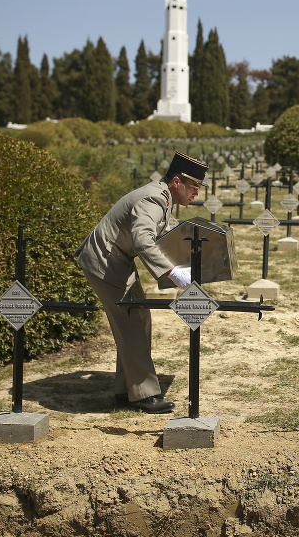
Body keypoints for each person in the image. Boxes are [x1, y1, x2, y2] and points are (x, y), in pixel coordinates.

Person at [75, 151, 208, 413]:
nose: (196, 194)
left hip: (116, 260)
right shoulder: (153, 198)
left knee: (138, 318)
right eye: (193, 187)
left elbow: (167, 228)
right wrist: (171, 272)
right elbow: (143, 240)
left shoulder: (163, 198)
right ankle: (144, 394)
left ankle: (127, 389)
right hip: (104, 261)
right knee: (132, 321)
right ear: (177, 182)